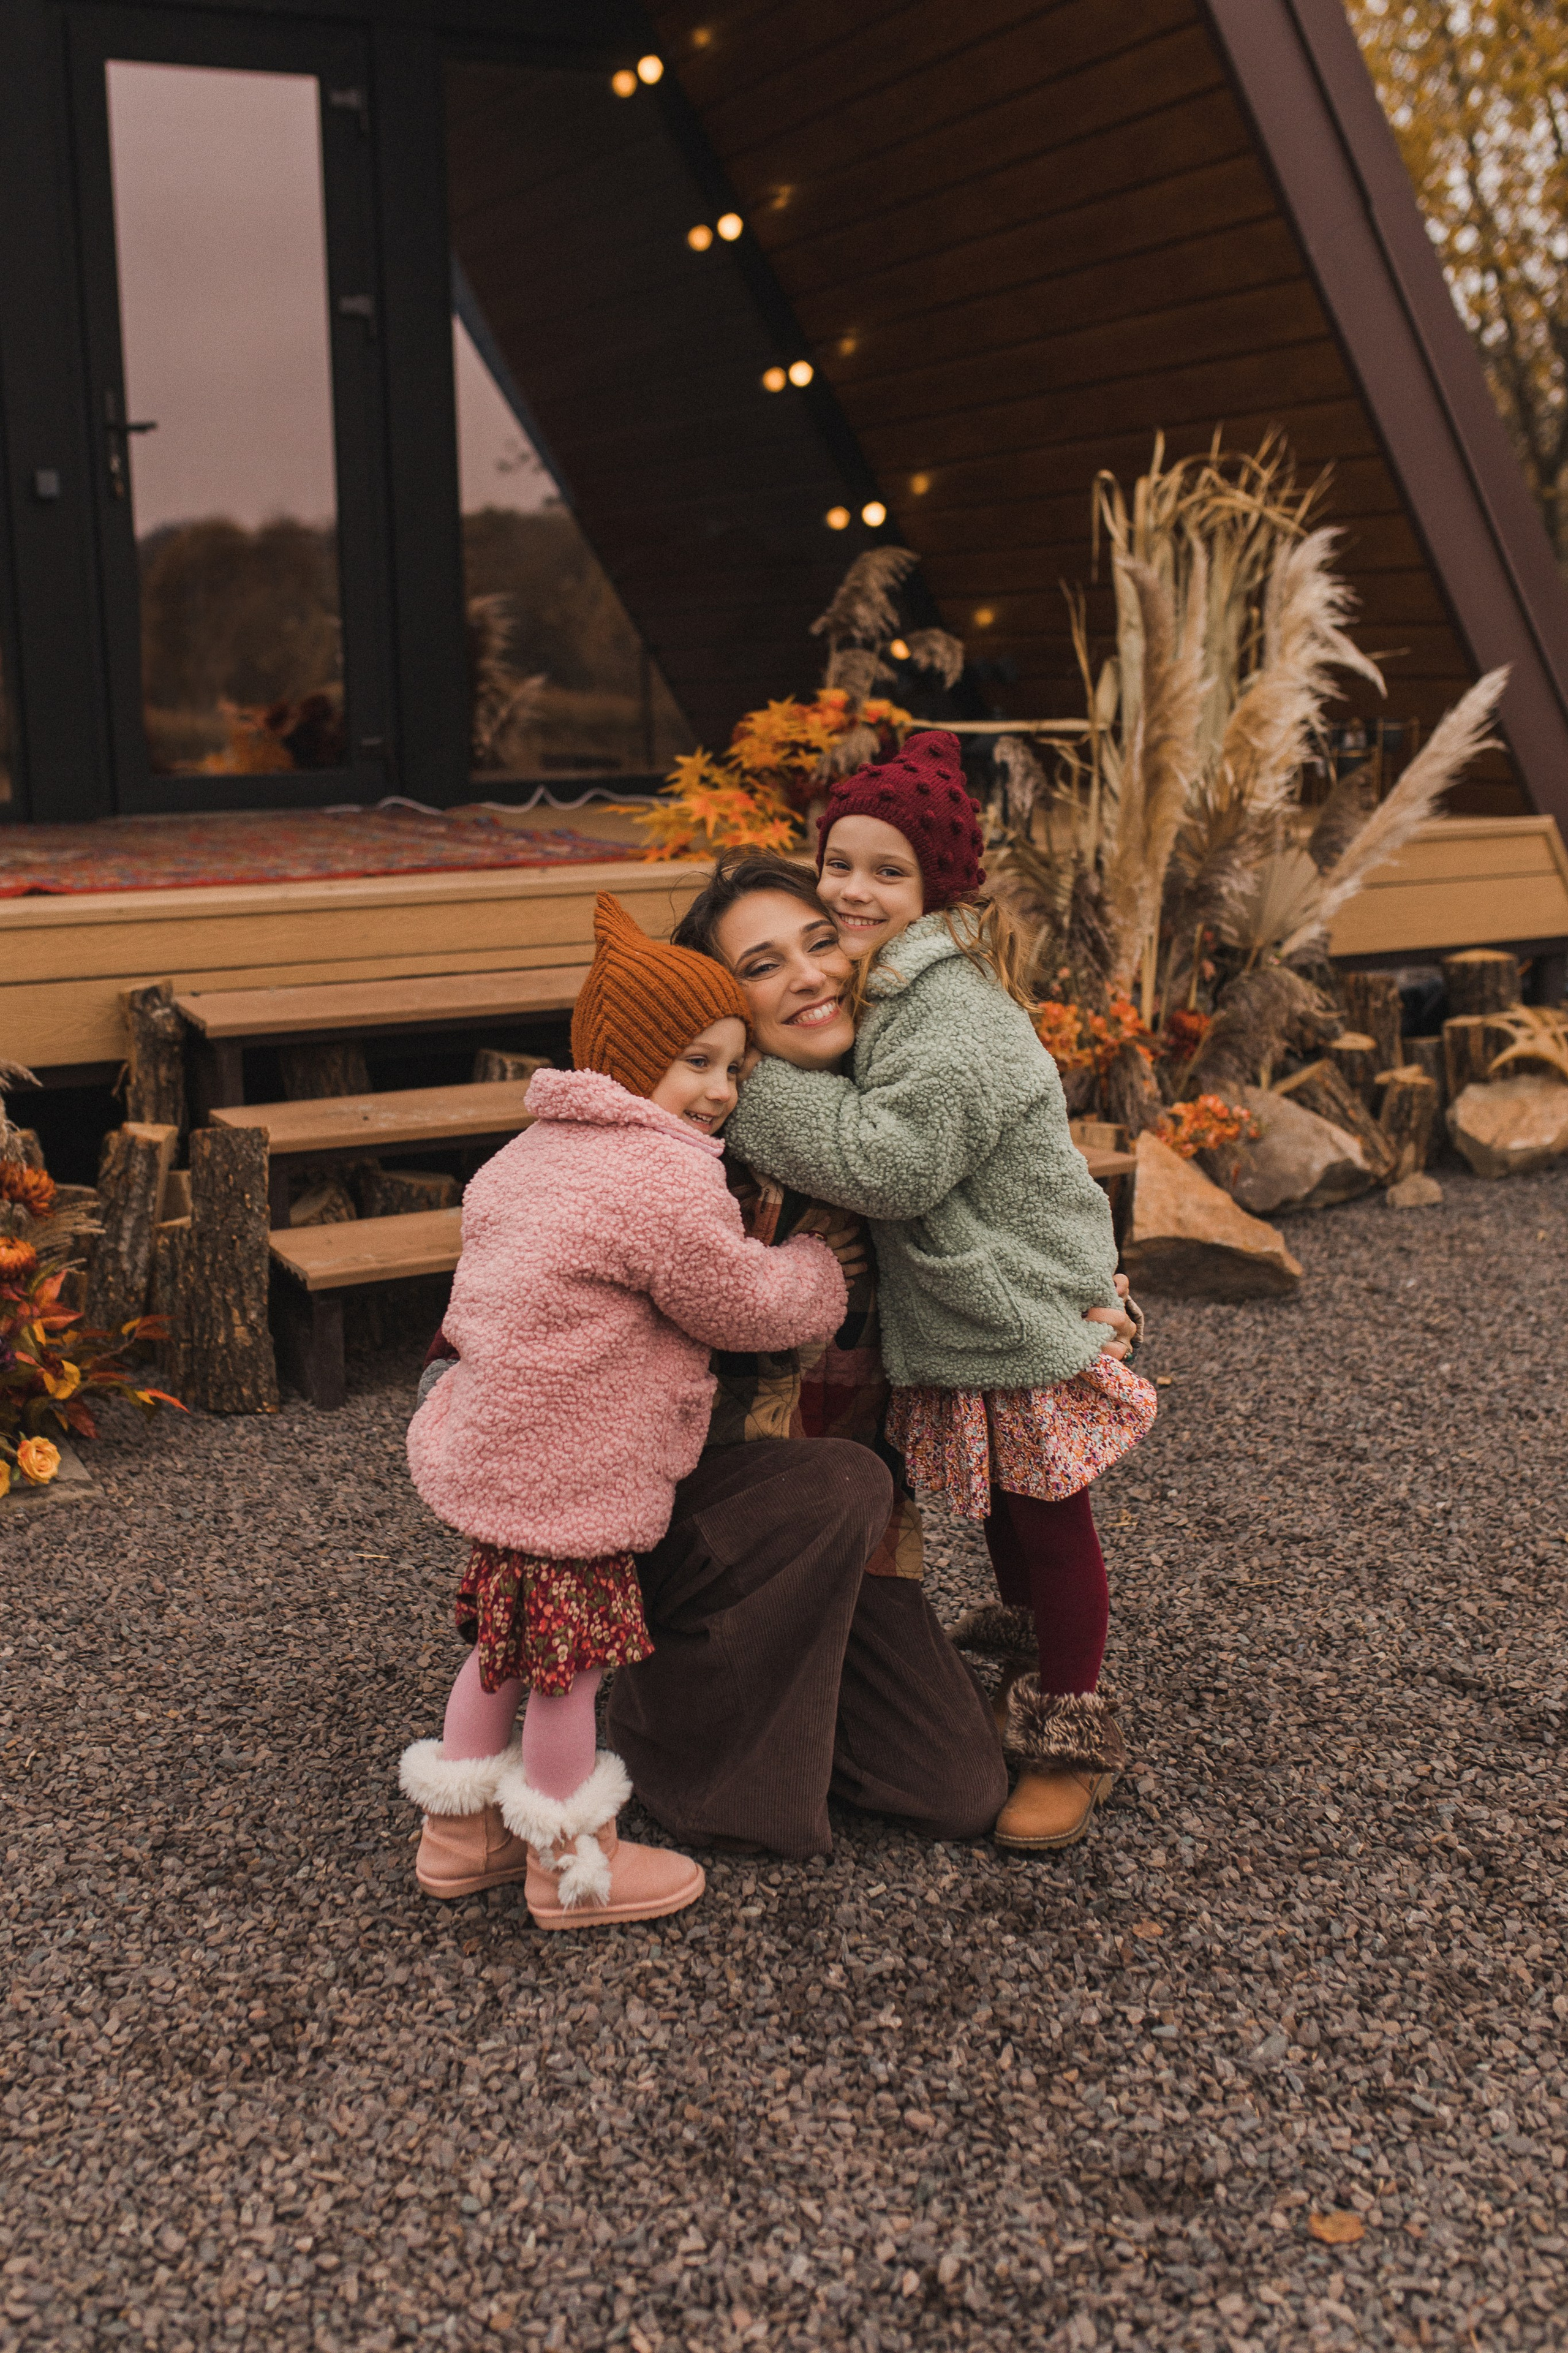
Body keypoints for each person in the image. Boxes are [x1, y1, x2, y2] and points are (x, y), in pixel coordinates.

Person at [724, 730, 1155, 1853]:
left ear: (939, 888)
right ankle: (1027, 1641)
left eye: (888, 871)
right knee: (1015, 1502)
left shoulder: (951, 1009)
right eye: (840, 862)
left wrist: (751, 1088)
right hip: (981, 1292)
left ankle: (1074, 1730)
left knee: (1053, 1517)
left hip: (1015, 1297)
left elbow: (894, 1164)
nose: (854, 890)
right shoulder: (896, 983)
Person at [398, 895, 849, 1925]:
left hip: (499, 1451)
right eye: (696, 1061)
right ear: (628, 1059)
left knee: (500, 1648)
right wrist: (819, 1270)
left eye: (734, 1067)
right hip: (577, 1471)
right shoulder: (659, 1181)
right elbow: (740, 1301)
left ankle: (456, 1832)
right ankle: (571, 1863)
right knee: (568, 1672)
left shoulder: (525, 1155)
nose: (721, 1090)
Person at [602, 855, 1012, 1858]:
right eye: (764, 963)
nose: (811, 975)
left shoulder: (903, 1129)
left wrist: (1102, 1299)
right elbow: (541, 1265)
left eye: (820, 941)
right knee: (834, 1479)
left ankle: (796, 1691)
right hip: (687, 1527)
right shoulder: (690, 1145)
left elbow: (1023, 1228)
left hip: (844, 1539)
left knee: (958, 1790)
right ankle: (668, 1721)